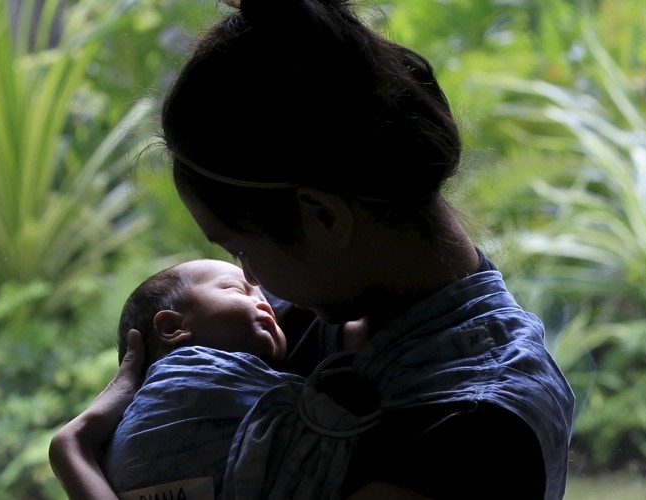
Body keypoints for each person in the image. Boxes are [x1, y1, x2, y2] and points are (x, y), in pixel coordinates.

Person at [49, 0, 576, 498]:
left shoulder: (475, 436)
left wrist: (74, 455)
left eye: (239, 250)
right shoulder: (283, 328)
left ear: (323, 217)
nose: (250, 280)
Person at [99, 258, 306, 499]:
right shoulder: (185, 372)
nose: (266, 306)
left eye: (263, 299)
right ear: (172, 326)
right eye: (237, 289)